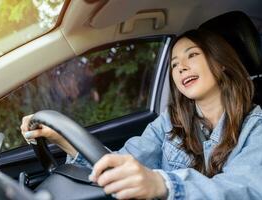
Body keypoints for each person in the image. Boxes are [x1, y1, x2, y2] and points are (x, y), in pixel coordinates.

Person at [20, 29, 262, 200]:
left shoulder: (255, 126)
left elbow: (244, 190)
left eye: (192, 55)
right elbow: (119, 161)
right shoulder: (170, 121)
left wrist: (161, 184)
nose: (181, 67)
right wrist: (61, 139)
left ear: (221, 63)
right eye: (174, 64)